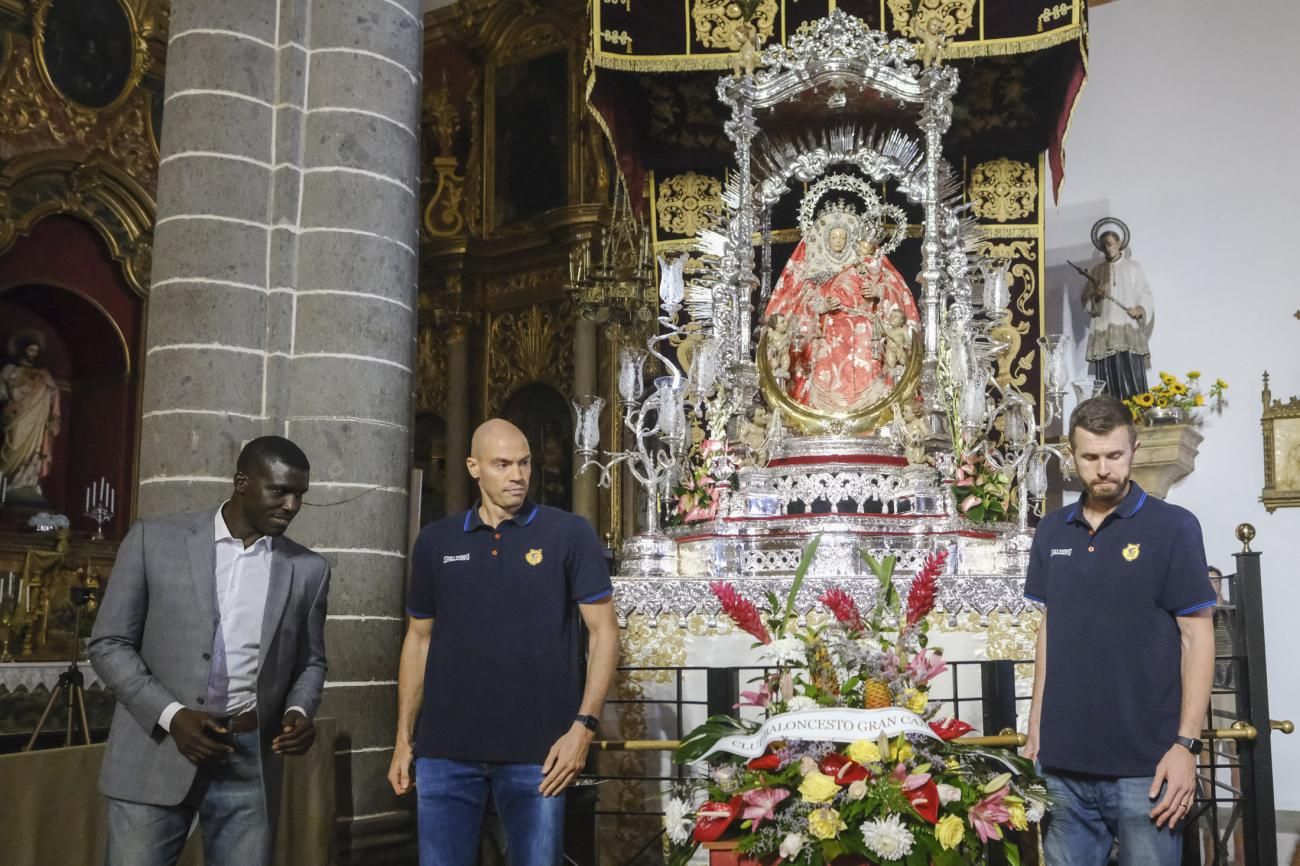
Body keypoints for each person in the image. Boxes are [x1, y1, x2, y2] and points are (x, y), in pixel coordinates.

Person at [388, 418, 620, 866]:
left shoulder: (568, 534)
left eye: (524, 463)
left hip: (539, 755)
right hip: (444, 753)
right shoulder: (436, 542)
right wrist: (403, 739)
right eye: (502, 464)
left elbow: (604, 632)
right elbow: (418, 640)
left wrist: (583, 729)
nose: (517, 475)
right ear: (474, 467)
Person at [89, 436, 329, 866]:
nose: (292, 505)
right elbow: (109, 643)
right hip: (155, 750)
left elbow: (310, 662)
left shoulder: (308, 570)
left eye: (300, 495)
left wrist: (299, 711)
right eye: (280, 491)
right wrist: (172, 715)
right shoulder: (152, 541)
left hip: (248, 758)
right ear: (241, 482)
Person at [1024, 395, 1215, 864]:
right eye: (1090, 457)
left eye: (1114, 455)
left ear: (1134, 449)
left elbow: (1197, 637)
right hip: (1064, 764)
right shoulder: (1052, 531)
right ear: (1072, 457)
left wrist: (1186, 746)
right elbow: (1052, 629)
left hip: (1146, 768)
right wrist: (1036, 728)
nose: (1103, 468)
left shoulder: (1173, 528)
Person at [763, 207, 919, 413]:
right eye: (833, 237)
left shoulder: (867, 265)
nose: (838, 241)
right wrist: (822, 306)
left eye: (842, 237)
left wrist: (879, 291)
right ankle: (826, 417)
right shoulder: (817, 271)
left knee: (868, 374)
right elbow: (803, 302)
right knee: (826, 377)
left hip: (864, 331)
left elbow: (898, 291)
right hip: (831, 332)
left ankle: (869, 416)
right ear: (825, 239)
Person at [1081, 227, 1154, 401]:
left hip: (1126, 327)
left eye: (1111, 244)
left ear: (1120, 244)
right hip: (1104, 329)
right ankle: (1112, 412)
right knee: (1108, 374)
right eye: (1104, 245)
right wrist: (1097, 296)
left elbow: (1145, 292)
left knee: (1130, 372)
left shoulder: (1133, 267)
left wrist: (1140, 309)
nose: (1108, 248)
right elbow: (1086, 301)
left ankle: (1135, 409)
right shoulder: (1096, 271)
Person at [0, 330, 62, 498]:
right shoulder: (10, 369)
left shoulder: (43, 374)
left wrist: (49, 389)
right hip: (17, 416)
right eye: (30, 350)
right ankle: (5, 479)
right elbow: (3, 393)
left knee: (34, 452)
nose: (33, 354)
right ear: (23, 350)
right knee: (12, 446)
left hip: (37, 419)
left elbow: (54, 393)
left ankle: (28, 483)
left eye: (36, 351)